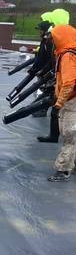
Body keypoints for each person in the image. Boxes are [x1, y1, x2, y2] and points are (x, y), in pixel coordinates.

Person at [36, 8, 70, 142]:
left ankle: (59, 137)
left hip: (67, 82)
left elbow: (57, 63)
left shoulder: (64, 47)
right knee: (56, 110)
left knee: (59, 109)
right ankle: (54, 136)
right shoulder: (58, 42)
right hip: (61, 79)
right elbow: (54, 61)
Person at [48, 24, 76, 182]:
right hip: (71, 99)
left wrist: (58, 104)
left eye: (53, 38)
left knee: (69, 135)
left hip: (71, 101)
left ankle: (63, 169)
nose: (52, 41)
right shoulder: (70, 53)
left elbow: (69, 83)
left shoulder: (67, 56)